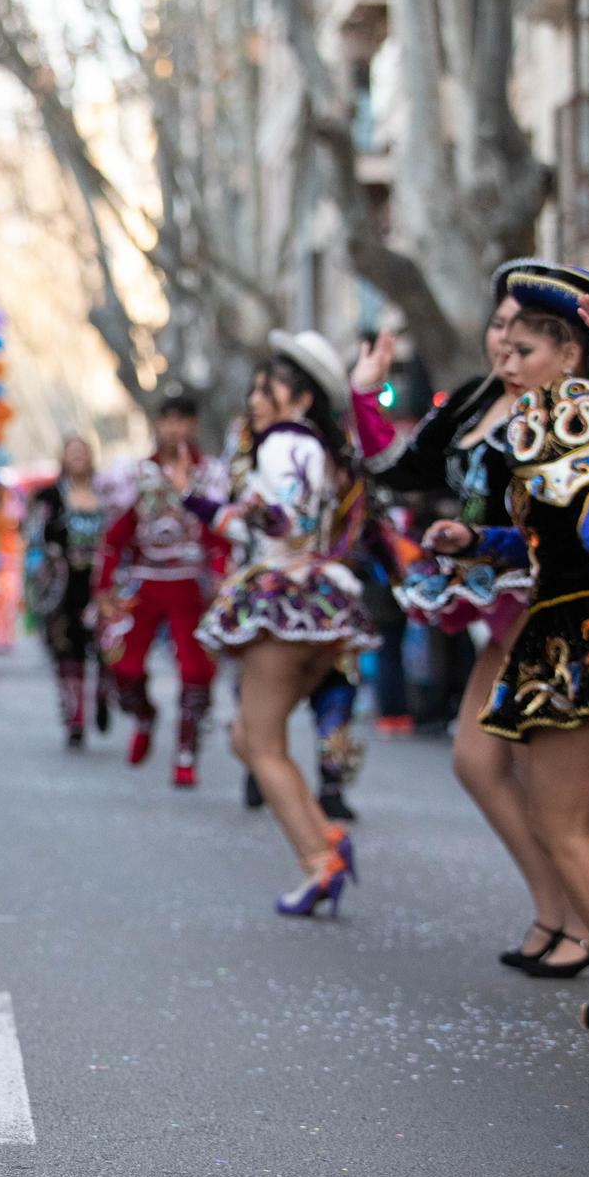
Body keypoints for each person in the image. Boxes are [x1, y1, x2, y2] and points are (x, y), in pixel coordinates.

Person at [349, 262, 589, 975]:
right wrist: (366, 394)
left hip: (557, 607)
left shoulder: (569, 408)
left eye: (522, 334)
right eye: (498, 327)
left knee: (551, 783)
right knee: (478, 761)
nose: (504, 344)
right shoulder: (473, 400)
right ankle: (557, 909)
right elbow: (397, 468)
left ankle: (588, 926)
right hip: (500, 603)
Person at [427, 267, 589, 1033]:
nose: (506, 362)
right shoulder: (553, 416)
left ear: (566, 349)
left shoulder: (581, 411)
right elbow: (548, 533)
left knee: (563, 820)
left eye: (524, 348)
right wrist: (473, 539)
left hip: (584, 640)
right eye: (505, 347)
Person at [199, 331, 377, 915]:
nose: (254, 397)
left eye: (267, 386)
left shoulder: (280, 444)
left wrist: (209, 506)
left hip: (284, 605)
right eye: (253, 387)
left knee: (259, 743)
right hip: (322, 606)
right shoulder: (320, 446)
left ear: (300, 397)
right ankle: (324, 841)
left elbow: (280, 525)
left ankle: (317, 861)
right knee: (250, 737)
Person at [96, 394, 223, 784]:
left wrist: (219, 575)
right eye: (167, 421)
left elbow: (221, 535)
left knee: (196, 669)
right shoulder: (135, 474)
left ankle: (185, 753)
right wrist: (105, 586)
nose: (174, 429)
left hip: (190, 584)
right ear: (157, 425)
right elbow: (116, 536)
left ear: (193, 426)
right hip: (146, 581)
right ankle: (144, 716)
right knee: (123, 665)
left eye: (182, 421)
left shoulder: (211, 474)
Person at [27, 436, 107, 748]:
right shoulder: (48, 497)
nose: (77, 457)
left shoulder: (107, 493)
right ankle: (74, 718)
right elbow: (33, 538)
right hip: (62, 585)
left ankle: (103, 695)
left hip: (103, 583)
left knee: (106, 649)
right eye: (71, 452)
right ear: (62, 457)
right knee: (67, 649)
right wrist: (38, 579)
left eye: (83, 452)